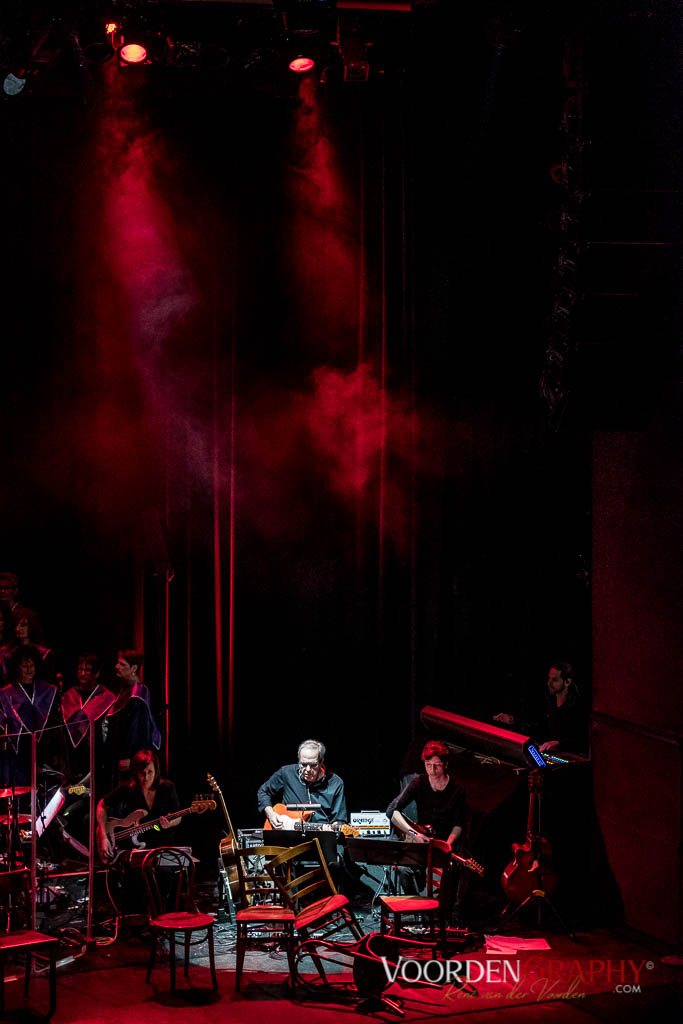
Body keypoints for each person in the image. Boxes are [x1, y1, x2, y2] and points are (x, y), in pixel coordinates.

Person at [386, 740, 471, 924]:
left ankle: (453, 916)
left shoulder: (457, 789)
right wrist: (415, 834)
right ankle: (419, 911)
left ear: (446, 765)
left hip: (448, 842)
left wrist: (447, 844)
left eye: (437, 765)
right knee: (403, 870)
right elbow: (392, 811)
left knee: (458, 869)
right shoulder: (419, 783)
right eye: (428, 765)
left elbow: (459, 824)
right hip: (424, 840)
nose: (432, 770)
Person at [96, 749, 181, 865]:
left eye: (150, 772)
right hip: (132, 851)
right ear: (136, 772)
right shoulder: (128, 788)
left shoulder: (167, 788)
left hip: (161, 848)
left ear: (156, 770)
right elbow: (102, 805)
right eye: (142, 773)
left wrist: (170, 823)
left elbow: (178, 816)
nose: (146, 777)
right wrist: (103, 837)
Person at [494, 661, 586, 753]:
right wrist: (512, 720)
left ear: (567, 682)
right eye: (549, 679)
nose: (549, 683)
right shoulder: (548, 702)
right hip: (546, 751)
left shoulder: (577, 708)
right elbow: (536, 725)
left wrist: (558, 743)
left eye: (554, 680)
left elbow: (579, 740)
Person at [102, 650, 160, 790]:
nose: (117, 666)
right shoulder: (125, 690)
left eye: (122, 664)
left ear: (134, 668)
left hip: (130, 759)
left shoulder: (138, 693)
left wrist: (127, 756)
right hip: (119, 755)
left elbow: (136, 728)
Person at [257, 739, 347, 830]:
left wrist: (332, 829)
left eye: (313, 765)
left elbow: (339, 820)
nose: (308, 769)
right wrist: (271, 814)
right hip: (289, 837)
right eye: (303, 764)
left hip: (321, 838)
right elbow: (263, 791)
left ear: (321, 762)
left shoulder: (335, 783)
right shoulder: (287, 773)